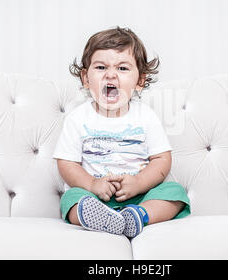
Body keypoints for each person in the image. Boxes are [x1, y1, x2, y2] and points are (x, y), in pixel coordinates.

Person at [53, 26, 190, 238]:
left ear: (140, 80)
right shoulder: (77, 118)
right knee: (71, 199)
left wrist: (139, 183)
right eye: (100, 67)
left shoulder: (146, 116)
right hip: (94, 197)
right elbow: (66, 163)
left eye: (122, 69)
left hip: (140, 194)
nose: (110, 75)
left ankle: (138, 215)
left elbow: (162, 159)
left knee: (174, 193)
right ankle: (101, 218)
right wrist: (92, 184)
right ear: (85, 78)